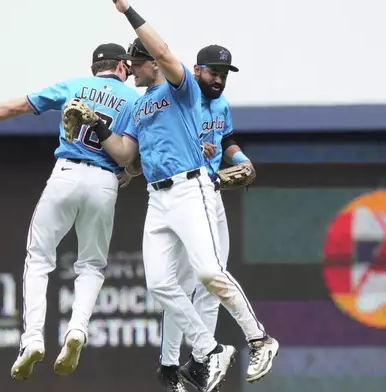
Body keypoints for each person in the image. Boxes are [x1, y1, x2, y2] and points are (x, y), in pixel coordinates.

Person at [83, 1, 275, 391]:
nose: (132, 68)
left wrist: (127, 12)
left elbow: (165, 52)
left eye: (137, 61)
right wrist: (96, 125)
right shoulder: (136, 108)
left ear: (149, 62)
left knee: (207, 272)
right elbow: (124, 155)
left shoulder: (181, 89)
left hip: (191, 188)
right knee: (159, 286)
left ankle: (259, 339)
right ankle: (209, 350)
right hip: (158, 198)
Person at [0, 43, 140, 380]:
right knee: (91, 265)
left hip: (65, 173)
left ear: (96, 67)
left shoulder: (75, 86)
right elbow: (136, 156)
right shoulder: (136, 102)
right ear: (123, 65)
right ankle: (77, 330)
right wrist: (131, 173)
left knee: (38, 260)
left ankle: (33, 338)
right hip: (106, 180)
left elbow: (18, 105)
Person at [158, 45, 279, 392]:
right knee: (183, 283)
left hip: (211, 193)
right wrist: (197, 147)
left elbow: (224, 137)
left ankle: (200, 361)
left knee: (210, 285)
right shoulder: (182, 99)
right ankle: (173, 364)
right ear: (196, 70)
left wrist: (240, 158)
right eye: (213, 72)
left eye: (224, 74)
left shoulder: (221, 104)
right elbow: (170, 138)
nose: (219, 79)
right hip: (183, 194)